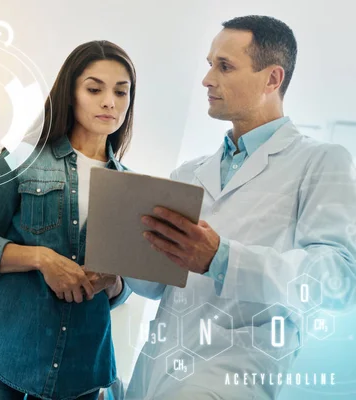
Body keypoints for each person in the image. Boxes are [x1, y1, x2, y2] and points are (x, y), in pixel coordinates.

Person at [125, 15, 356, 399]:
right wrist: (123, 265)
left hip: (237, 369)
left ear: (272, 79)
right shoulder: (189, 172)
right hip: (159, 363)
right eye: (209, 64)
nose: (207, 80)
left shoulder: (321, 162)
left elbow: (339, 279)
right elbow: (157, 284)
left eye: (225, 66)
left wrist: (223, 259)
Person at [0, 40, 136, 399]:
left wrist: (114, 282)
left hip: (79, 374)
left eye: (121, 91)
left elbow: (123, 289)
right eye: (94, 88)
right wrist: (42, 259)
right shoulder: (19, 157)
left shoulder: (132, 188)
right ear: (70, 93)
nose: (109, 102)